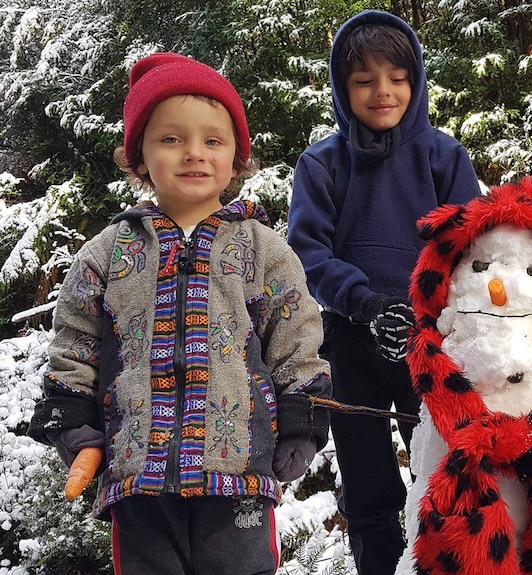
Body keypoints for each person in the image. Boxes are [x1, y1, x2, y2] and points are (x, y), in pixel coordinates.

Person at [27, 52, 332, 575]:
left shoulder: (265, 251)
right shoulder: (106, 254)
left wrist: (303, 423)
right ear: (139, 156)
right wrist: (77, 431)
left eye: (213, 141)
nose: (194, 153)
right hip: (137, 476)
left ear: (237, 156)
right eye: (171, 139)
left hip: (238, 473)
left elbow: (296, 339)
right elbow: (73, 348)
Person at [286, 10, 481, 575]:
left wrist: (440, 310)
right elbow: (308, 254)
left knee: (445, 478)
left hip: (433, 343)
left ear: (416, 80)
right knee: (370, 492)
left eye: (397, 76)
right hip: (352, 343)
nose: (383, 91)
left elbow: (469, 243)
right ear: (342, 88)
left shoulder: (444, 156)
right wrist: (365, 303)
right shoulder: (322, 163)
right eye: (364, 79)